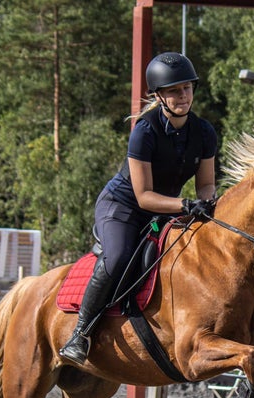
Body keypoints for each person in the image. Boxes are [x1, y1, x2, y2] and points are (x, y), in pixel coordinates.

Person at [59, 51, 218, 365]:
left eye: (186, 88)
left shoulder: (204, 132)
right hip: (123, 207)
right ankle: (81, 333)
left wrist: (207, 204)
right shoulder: (144, 132)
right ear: (159, 96)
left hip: (164, 211)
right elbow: (144, 196)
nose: (182, 95)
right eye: (174, 90)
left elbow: (206, 185)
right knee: (118, 257)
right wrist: (185, 204)